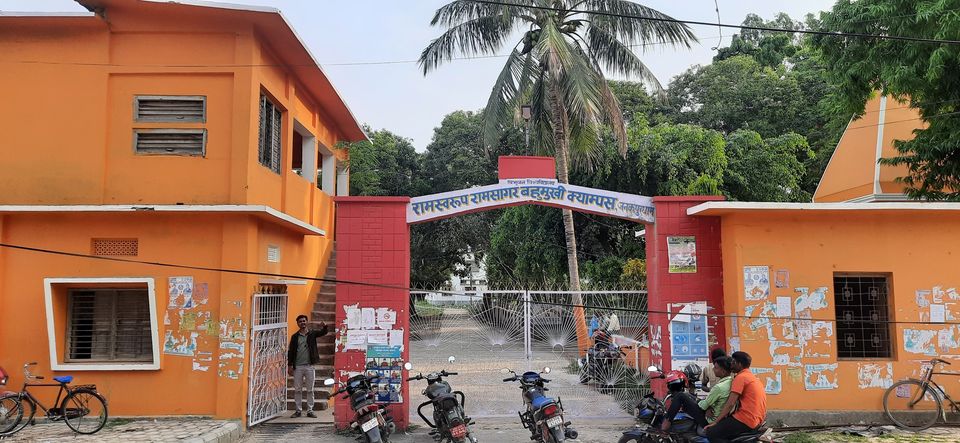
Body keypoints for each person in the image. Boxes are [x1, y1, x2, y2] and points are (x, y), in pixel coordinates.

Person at [705, 351, 767, 443]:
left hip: (746, 418)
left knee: (711, 433)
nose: (731, 365)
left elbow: (730, 403)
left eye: (733, 363)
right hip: (757, 419)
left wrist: (716, 422)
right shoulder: (751, 377)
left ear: (739, 364)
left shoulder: (740, 377)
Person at [660, 357, 733, 432]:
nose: (713, 369)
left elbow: (703, 406)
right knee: (686, 395)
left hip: (709, 420)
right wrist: (704, 404)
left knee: (680, 396)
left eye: (716, 368)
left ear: (723, 371)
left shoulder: (719, 387)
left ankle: (666, 424)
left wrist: (704, 405)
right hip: (715, 413)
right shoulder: (729, 382)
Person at [287, 315, 328, 418]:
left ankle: (310, 410)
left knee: (310, 389)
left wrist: (325, 326)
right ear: (297, 324)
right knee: (298, 390)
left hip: (309, 366)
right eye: (300, 321)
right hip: (298, 367)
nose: (302, 323)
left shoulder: (312, 334)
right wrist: (290, 365)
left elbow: (323, 332)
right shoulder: (295, 337)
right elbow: (291, 352)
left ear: (307, 322)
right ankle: (298, 410)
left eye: (304, 321)